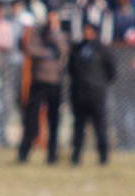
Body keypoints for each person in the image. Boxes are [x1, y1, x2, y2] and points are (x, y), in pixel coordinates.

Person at [18, 11, 69, 164]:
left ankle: (52, 156)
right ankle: (24, 154)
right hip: (38, 81)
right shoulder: (38, 33)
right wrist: (48, 53)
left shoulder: (62, 34)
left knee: (54, 120)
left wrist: (55, 36)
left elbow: (64, 51)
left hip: (54, 82)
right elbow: (30, 49)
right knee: (31, 119)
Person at [68, 21, 116, 165]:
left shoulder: (102, 50)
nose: (87, 33)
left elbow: (111, 71)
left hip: (96, 93)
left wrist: (99, 83)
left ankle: (103, 157)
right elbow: (71, 69)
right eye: (85, 30)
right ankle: (76, 157)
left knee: (100, 127)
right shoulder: (77, 49)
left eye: (90, 30)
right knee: (78, 127)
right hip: (79, 93)